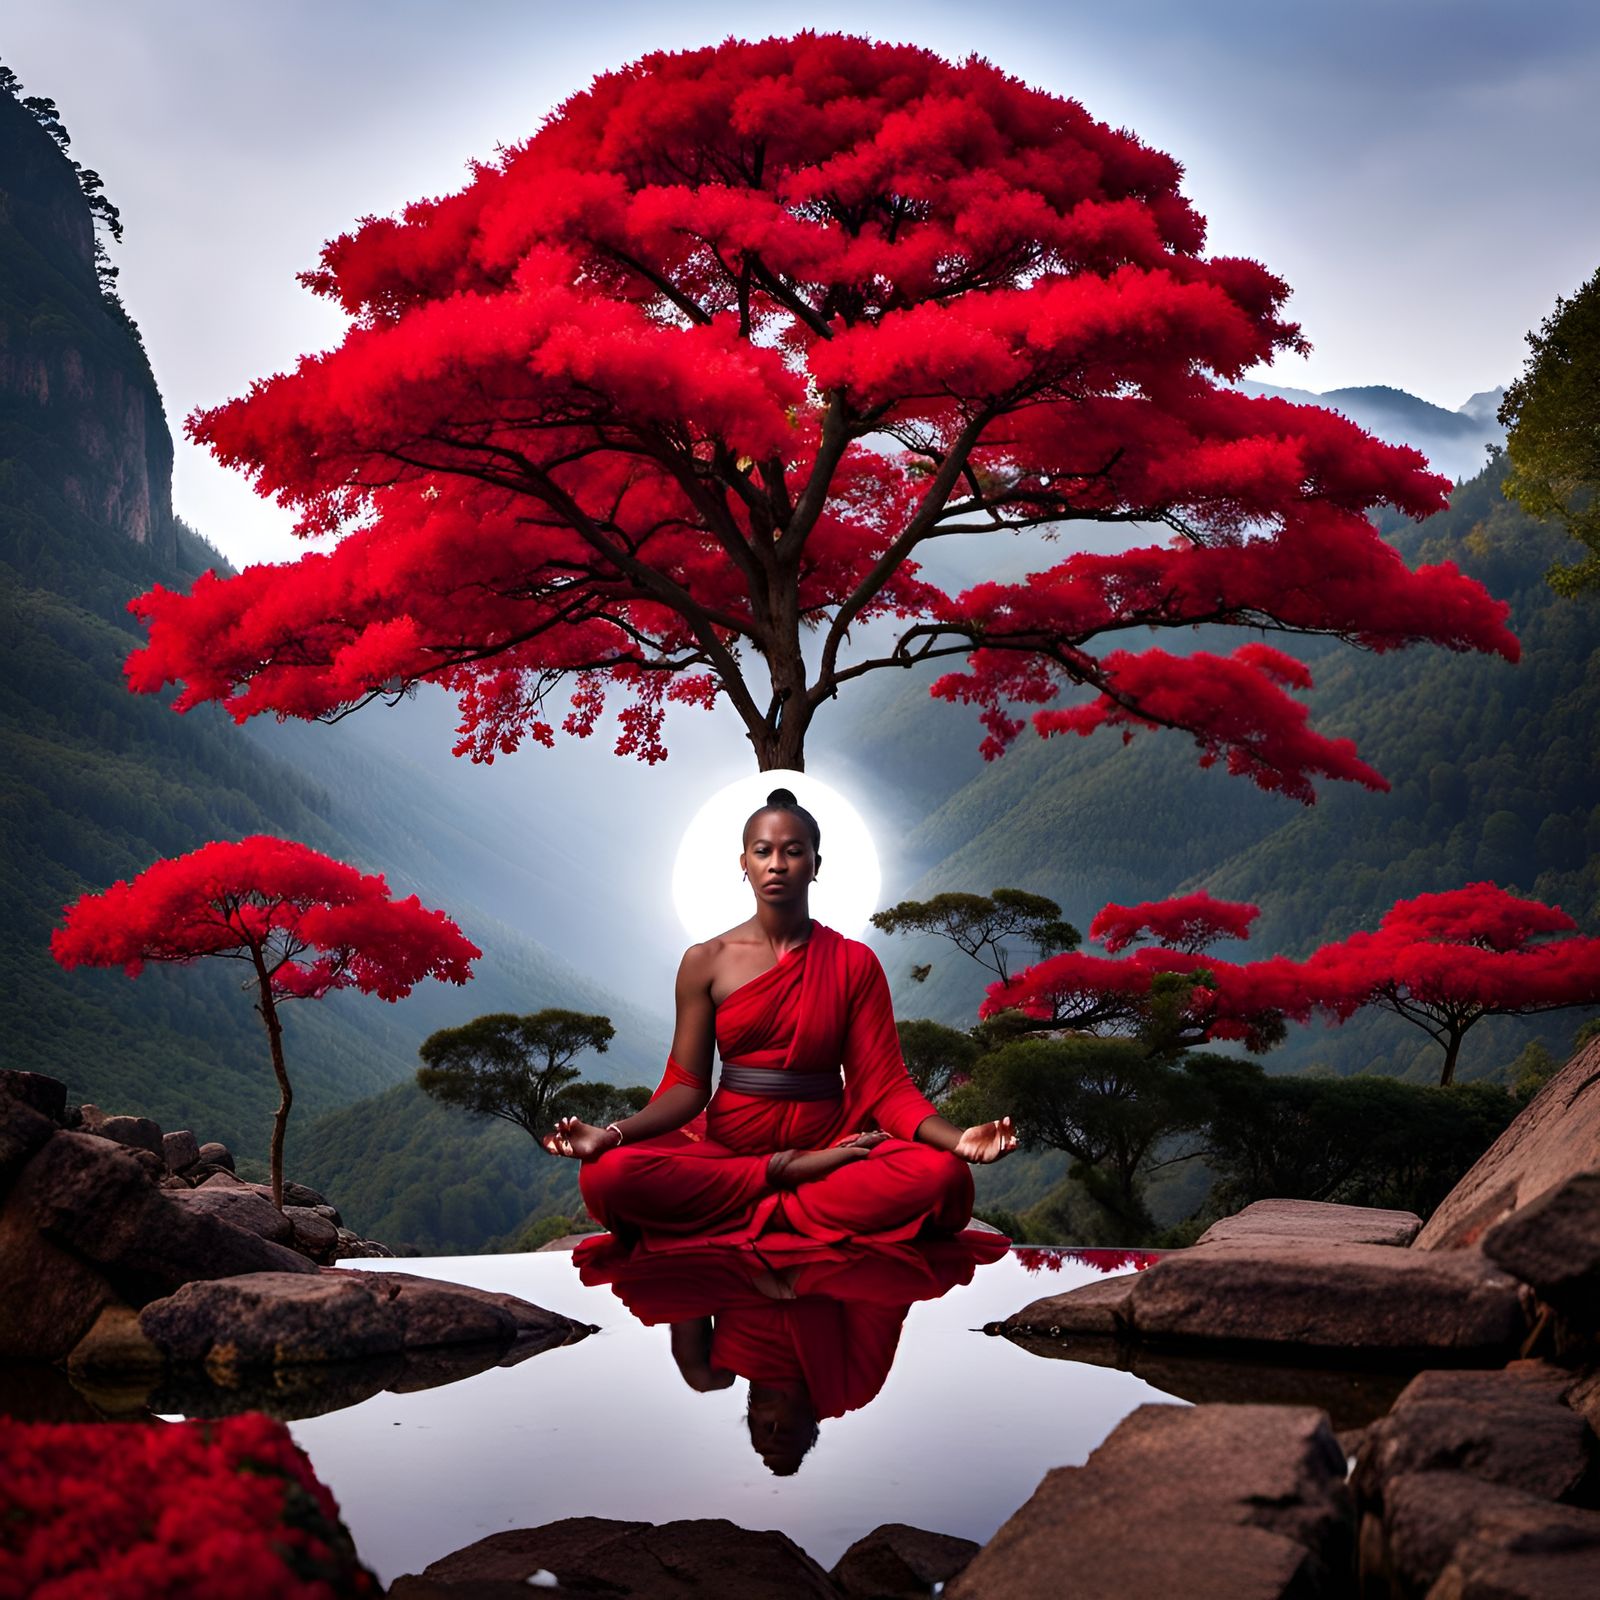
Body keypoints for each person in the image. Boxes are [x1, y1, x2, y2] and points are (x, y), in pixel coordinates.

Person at [541, 786, 1018, 1251]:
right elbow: (687, 1087)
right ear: (743, 864)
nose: (777, 864)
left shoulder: (853, 962)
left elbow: (885, 1086)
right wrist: (613, 1134)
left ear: (815, 865)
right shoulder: (706, 960)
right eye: (763, 851)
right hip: (728, 1150)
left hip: (832, 1150)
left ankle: (761, 1198)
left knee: (945, 1180)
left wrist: (958, 1141)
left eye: (792, 851)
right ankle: (782, 1179)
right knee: (608, 1175)